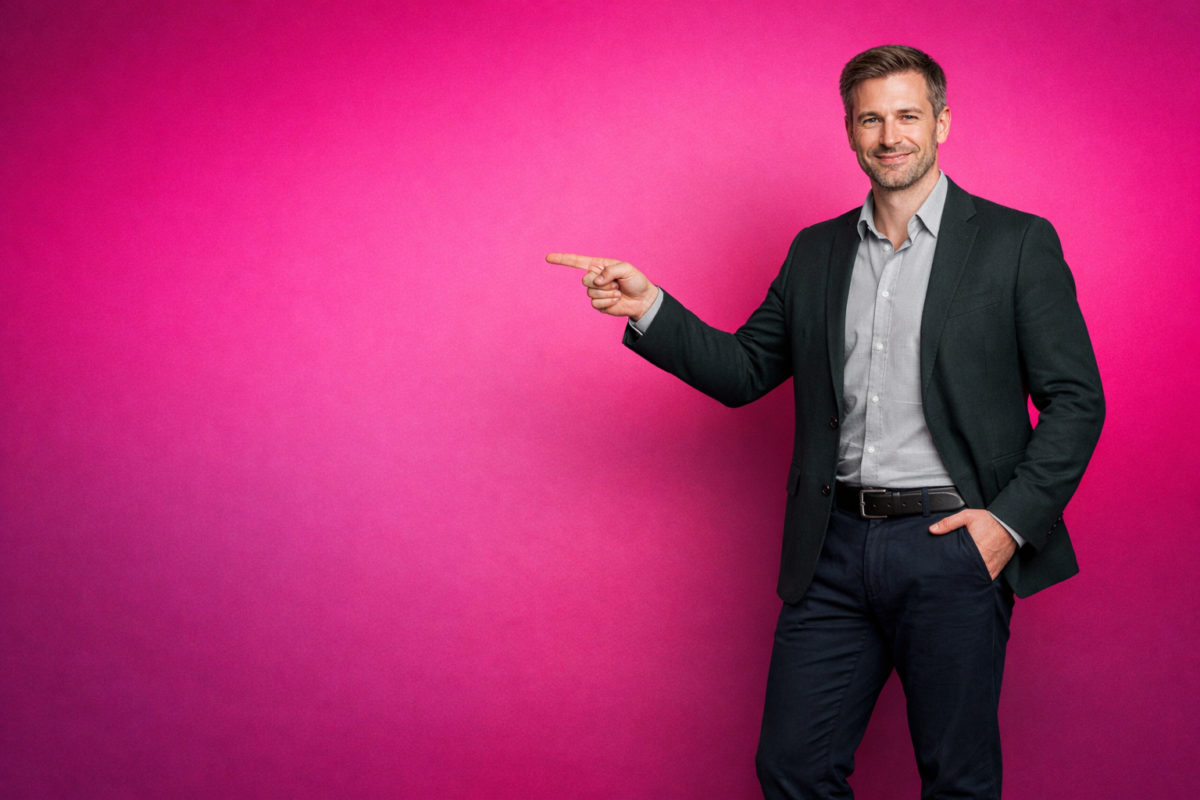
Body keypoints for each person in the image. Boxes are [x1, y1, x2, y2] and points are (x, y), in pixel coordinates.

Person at [548, 45, 1104, 800]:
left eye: (907, 115)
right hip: (832, 551)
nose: (889, 135)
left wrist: (1006, 525)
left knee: (958, 782)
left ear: (942, 121)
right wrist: (649, 306)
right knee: (794, 767)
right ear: (849, 132)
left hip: (952, 549)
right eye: (870, 119)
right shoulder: (816, 251)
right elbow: (745, 372)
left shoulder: (1015, 243)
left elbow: (1077, 398)